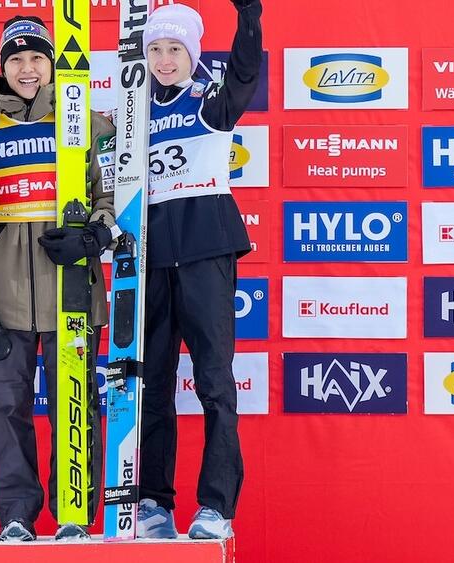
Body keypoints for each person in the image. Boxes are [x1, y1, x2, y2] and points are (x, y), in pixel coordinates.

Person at [0, 15, 118, 542]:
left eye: (37, 58)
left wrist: (94, 235)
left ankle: (75, 513)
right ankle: (16, 516)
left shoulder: (86, 123)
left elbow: (114, 196)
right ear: (2, 67)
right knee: (4, 407)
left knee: (76, 400)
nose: (27, 69)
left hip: (72, 289)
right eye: (16, 59)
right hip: (4, 295)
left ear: (53, 64)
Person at [134, 0, 263, 541]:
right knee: (152, 385)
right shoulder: (133, 115)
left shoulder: (210, 101)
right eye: (156, 50)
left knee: (213, 382)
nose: (165, 60)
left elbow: (245, 72)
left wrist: (249, 19)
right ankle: (152, 502)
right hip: (150, 260)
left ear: (193, 53)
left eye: (175, 49)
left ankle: (215, 505)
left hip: (205, 252)